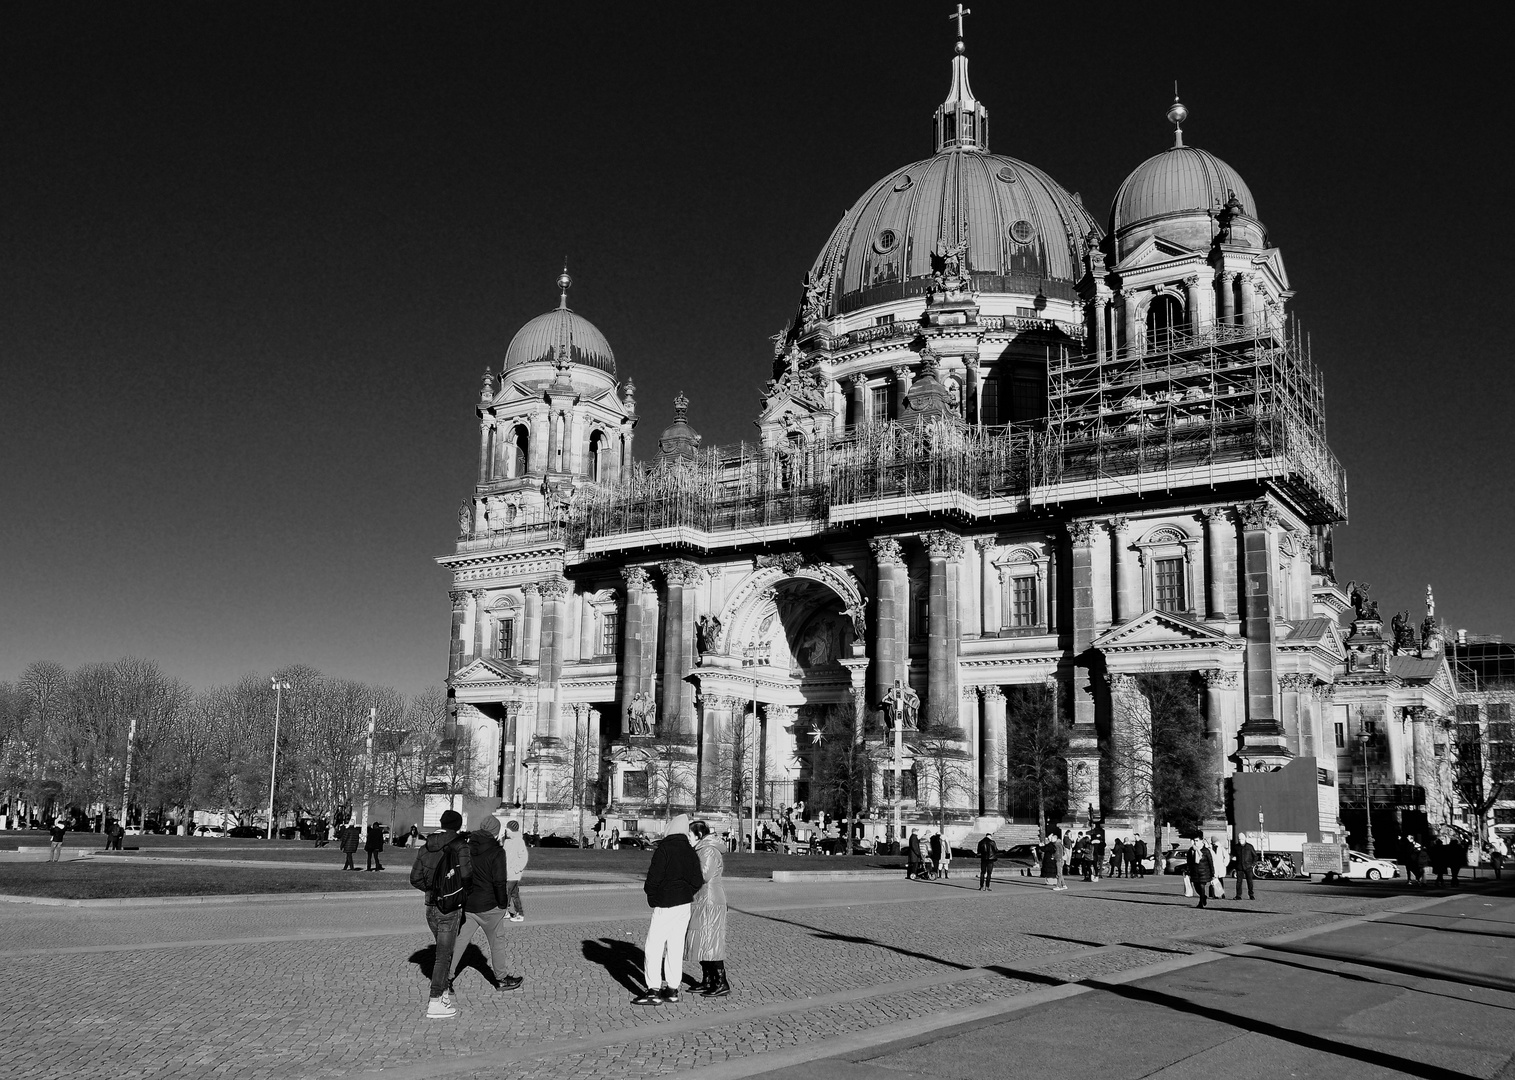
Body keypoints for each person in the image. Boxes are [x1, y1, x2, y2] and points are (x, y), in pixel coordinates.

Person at [631, 814, 704, 1006]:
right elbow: (697, 880)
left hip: (666, 902)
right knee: (675, 945)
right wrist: (686, 891)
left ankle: (653, 988)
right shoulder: (690, 851)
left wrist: (653, 895)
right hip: (683, 903)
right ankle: (672, 987)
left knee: (654, 946)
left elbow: (653, 878)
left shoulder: (664, 848)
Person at [450, 814, 523, 993]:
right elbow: (499, 882)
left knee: (460, 941)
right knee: (497, 942)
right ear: (494, 832)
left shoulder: (465, 847)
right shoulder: (497, 852)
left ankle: (445, 977)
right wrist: (503, 903)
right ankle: (501, 979)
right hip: (490, 905)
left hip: (469, 904)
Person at [413, 809, 472, 1019]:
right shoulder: (460, 845)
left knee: (442, 951)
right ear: (457, 825)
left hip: (430, 905)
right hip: (450, 906)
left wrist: (432, 891)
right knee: (443, 955)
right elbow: (467, 877)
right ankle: (435, 1000)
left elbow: (415, 878)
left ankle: (444, 992)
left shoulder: (427, 845)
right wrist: (457, 895)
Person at [687, 819, 730, 996]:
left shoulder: (708, 850)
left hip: (710, 900)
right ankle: (708, 979)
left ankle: (721, 981)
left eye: (689, 835)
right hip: (703, 898)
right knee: (703, 939)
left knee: (711, 940)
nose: (688, 838)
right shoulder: (701, 849)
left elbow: (703, 875)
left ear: (698, 835)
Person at [500, 818, 529, 921]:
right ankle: (519, 913)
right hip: (507, 873)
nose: (505, 831)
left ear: (512, 830)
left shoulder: (519, 841)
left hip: (513, 874)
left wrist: (516, 869)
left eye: (507, 829)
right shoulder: (507, 841)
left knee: (506, 892)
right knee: (514, 894)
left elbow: (524, 857)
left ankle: (504, 911)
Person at [1187, 836, 1215, 908]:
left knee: (1202, 887)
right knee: (1196, 888)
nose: (1195, 842)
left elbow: (1210, 862)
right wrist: (1188, 870)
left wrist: (1213, 873)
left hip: (1204, 872)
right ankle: (1203, 897)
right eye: (1194, 841)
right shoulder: (1191, 850)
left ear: (1201, 841)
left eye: (1197, 840)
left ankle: (1201, 903)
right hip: (1195, 872)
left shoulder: (1206, 850)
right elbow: (1189, 862)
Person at [1233, 832, 1258, 900]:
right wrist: (1234, 861)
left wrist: (1252, 864)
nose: (1240, 840)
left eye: (1242, 839)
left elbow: (1255, 856)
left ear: (1244, 839)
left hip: (1248, 867)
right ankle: (1238, 895)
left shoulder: (1249, 847)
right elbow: (1233, 855)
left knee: (1249, 881)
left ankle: (1251, 895)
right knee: (1239, 882)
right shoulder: (1236, 847)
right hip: (1239, 867)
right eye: (1239, 839)